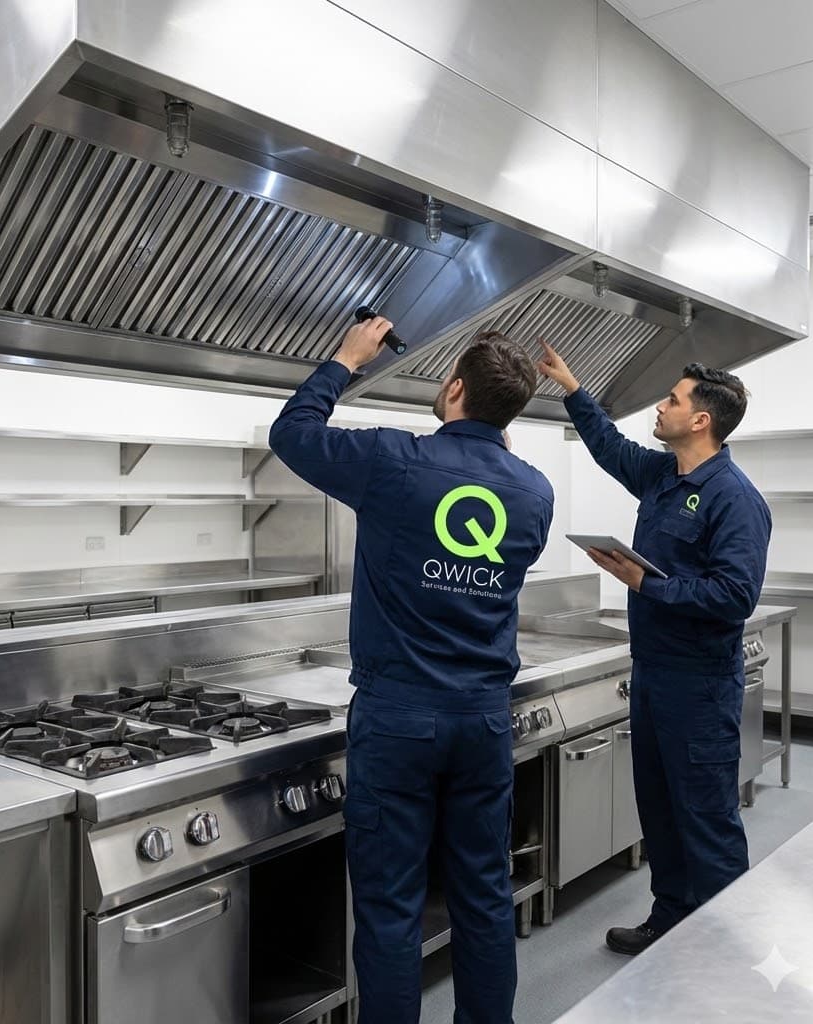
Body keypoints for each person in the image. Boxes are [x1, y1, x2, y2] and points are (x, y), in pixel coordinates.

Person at [269, 317, 553, 1024]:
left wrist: (346, 359)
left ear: (454, 388)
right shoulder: (535, 492)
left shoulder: (393, 460)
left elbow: (293, 433)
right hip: (483, 719)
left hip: (398, 720)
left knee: (391, 906)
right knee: (484, 895)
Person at [538, 340, 772, 956]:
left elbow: (734, 596)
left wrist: (647, 584)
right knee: (662, 810)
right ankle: (670, 921)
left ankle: (726, 956)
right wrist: (573, 390)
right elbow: (610, 448)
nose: (661, 407)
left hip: (700, 684)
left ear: (701, 420)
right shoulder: (664, 476)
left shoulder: (734, 498)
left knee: (707, 819)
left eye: (672, 400)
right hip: (653, 674)